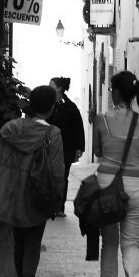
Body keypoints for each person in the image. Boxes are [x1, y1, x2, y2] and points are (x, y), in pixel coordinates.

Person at [0, 85, 64, 277]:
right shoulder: (52, 134)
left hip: (10, 195)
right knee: (33, 243)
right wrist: (56, 198)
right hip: (37, 197)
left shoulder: (11, 129)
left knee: (18, 242)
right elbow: (58, 172)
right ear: (50, 108)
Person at [92, 70, 139, 277]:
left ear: (115, 92)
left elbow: (97, 151)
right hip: (134, 185)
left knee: (109, 242)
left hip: (107, 185)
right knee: (131, 242)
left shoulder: (101, 119)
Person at [49, 76, 85, 217]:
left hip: (66, 149)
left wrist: (79, 148)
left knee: (62, 177)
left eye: (51, 85)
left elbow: (78, 127)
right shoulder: (49, 105)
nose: (48, 86)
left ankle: (59, 207)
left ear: (59, 88)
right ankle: (49, 205)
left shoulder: (71, 107)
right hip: (50, 147)